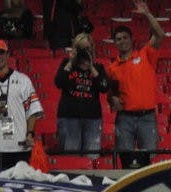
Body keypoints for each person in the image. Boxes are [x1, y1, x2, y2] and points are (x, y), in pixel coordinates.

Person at [107, 2, 164, 170]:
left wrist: (147, 13)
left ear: (132, 40)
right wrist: (112, 100)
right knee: (125, 160)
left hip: (147, 118)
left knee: (149, 159)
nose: (122, 41)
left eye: (125, 38)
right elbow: (110, 95)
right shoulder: (112, 68)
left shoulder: (146, 55)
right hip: (124, 118)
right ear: (115, 43)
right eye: (118, 39)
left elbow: (160, 35)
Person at [0, 38, 43, 170]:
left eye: (1, 53)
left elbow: (32, 110)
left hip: (20, 147)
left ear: (7, 54)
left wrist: (30, 134)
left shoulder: (23, 80)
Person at [54, 32, 108, 154]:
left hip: (92, 119)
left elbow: (104, 87)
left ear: (92, 49)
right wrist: (70, 62)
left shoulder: (98, 68)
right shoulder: (66, 64)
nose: (84, 52)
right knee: (71, 156)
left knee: (92, 156)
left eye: (87, 48)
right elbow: (59, 83)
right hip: (69, 118)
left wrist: (91, 67)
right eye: (81, 49)